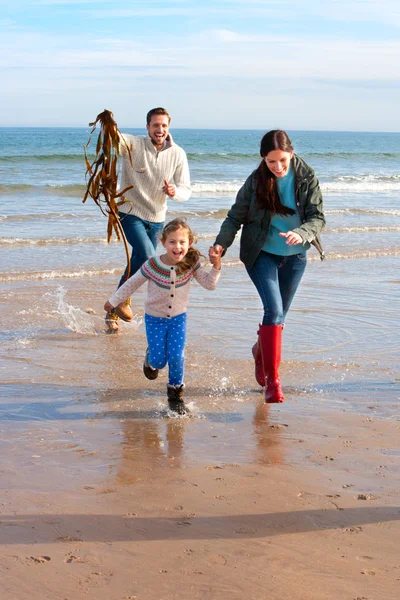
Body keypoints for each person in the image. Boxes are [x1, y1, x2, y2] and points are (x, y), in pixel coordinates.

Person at [211, 129, 325, 404]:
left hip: (296, 257)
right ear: (263, 159)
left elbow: (318, 218)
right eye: (271, 161)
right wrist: (220, 244)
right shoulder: (255, 181)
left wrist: (303, 233)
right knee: (273, 310)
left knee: (279, 317)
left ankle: (259, 350)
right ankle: (273, 382)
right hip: (261, 253)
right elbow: (234, 216)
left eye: (282, 160)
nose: (278, 167)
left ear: (291, 153)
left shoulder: (306, 177)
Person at [104, 218, 222, 415]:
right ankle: (150, 357)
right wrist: (113, 301)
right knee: (159, 362)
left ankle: (175, 396)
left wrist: (216, 265)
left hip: (178, 319)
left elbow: (210, 284)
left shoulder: (192, 264)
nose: (178, 247)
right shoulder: (153, 265)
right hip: (155, 319)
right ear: (163, 243)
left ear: (189, 243)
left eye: (182, 242)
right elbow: (132, 283)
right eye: (173, 242)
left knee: (177, 357)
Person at [106, 107, 191, 332]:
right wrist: (109, 121)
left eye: (164, 125)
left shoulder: (178, 153)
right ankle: (126, 302)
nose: (159, 129)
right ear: (147, 127)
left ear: (168, 127)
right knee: (147, 256)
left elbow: (186, 189)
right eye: (155, 125)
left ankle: (112, 309)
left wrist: (174, 192)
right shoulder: (133, 144)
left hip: (156, 218)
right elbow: (114, 138)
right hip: (129, 211)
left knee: (137, 262)